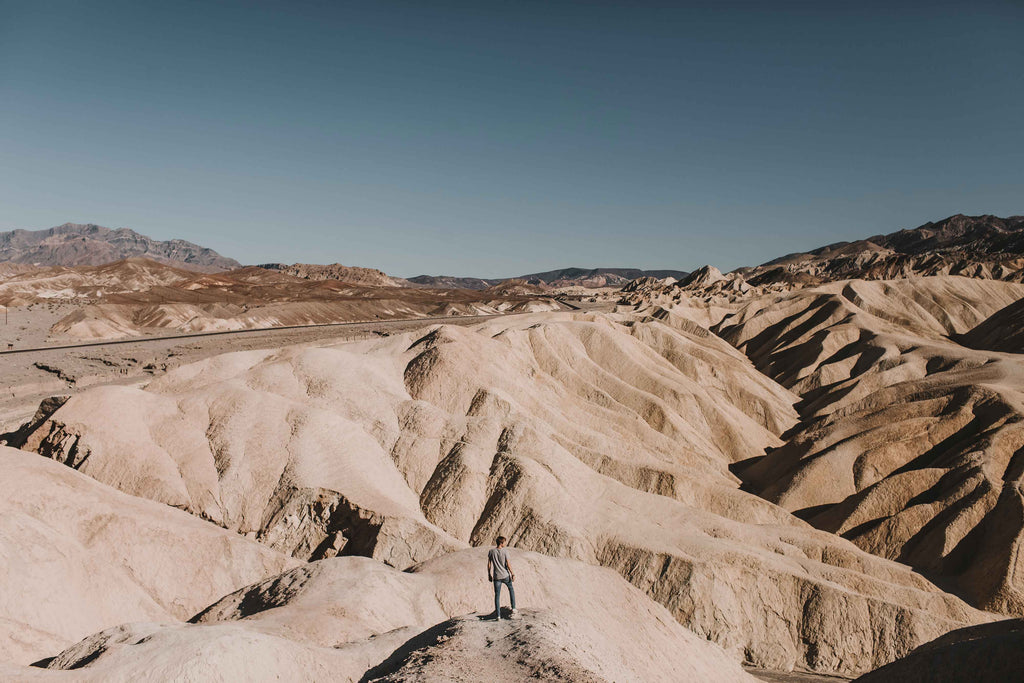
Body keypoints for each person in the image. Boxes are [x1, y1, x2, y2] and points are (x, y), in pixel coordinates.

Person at [487, 536, 517, 620]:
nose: (505, 544)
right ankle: (514, 608)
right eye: (504, 542)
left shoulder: (491, 551)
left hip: (496, 576)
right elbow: (508, 564)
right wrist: (512, 573)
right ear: (501, 543)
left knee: (497, 595)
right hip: (505, 575)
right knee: (511, 589)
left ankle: (498, 616)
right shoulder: (505, 552)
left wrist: (489, 574)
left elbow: (489, 564)